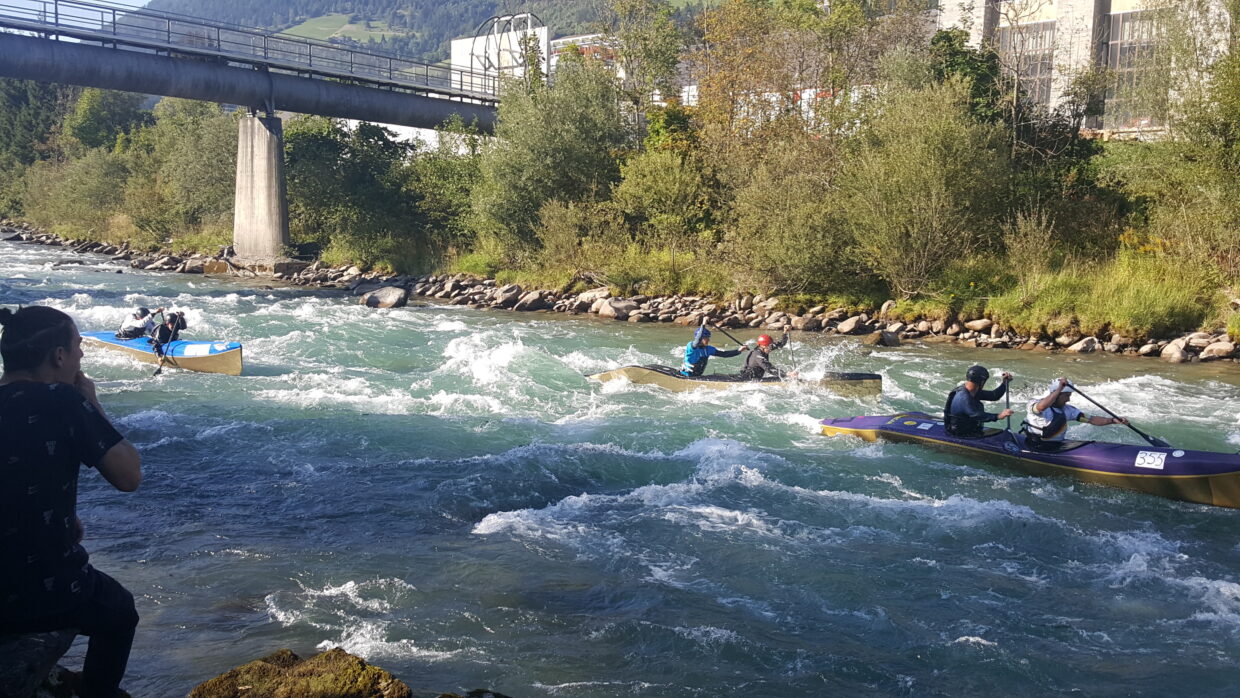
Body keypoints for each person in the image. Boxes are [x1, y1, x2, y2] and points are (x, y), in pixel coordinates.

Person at [0, 306, 142, 698]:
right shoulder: (62, 400)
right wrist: (92, 405)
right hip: (37, 593)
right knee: (119, 611)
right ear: (59, 356)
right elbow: (129, 476)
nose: (82, 354)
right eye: (78, 346)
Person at [1023, 377, 1129, 448]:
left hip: (1056, 445)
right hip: (1034, 444)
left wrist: (1113, 420)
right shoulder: (1033, 403)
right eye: (1067, 396)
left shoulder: (1069, 410)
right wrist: (1060, 388)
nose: (1068, 399)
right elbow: (1041, 407)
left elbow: (1092, 419)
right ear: (1057, 394)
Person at [944, 364, 1014, 437]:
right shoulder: (963, 397)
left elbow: (994, 396)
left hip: (970, 428)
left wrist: (1004, 383)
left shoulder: (972, 391)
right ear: (982, 381)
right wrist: (998, 416)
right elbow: (975, 415)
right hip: (960, 433)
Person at [680, 325, 747, 377]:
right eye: (706, 338)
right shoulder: (691, 346)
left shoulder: (708, 349)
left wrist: (738, 351)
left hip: (697, 376)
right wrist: (703, 324)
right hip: (686, 375)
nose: (708, 340)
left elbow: (724, 354)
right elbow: (697, 340)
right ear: (701, 338)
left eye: (708, 338)